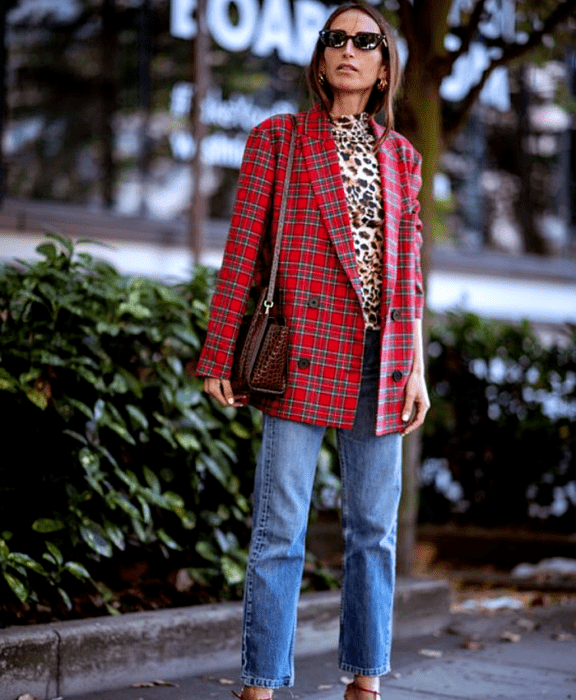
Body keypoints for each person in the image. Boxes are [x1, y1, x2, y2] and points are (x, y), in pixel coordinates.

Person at [196, 3, 430, 698]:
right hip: (301, 350)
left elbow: (408, 275)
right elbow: (244, 251)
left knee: (373, 533)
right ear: (321, 59)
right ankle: (261, 683)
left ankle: (366, 678)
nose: (349, 50)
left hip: (380, 360)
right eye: (336, 39)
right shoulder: (280, 139)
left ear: (384, 65)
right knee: (280, 530)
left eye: (366, 41)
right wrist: (218, 354)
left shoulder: (403, 158)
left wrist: (416, 366)